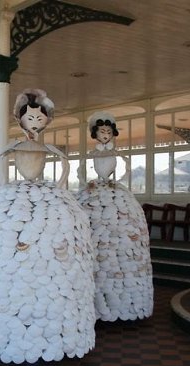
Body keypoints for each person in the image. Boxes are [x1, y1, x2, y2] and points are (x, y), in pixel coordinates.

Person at [0, 89, 95, 364]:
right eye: (30, 118)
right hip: (16, 194)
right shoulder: (14, 147)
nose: (34, 122)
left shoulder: (49, 149)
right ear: (20, 120)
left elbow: (64, 166)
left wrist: (61, 188)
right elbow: (1, 161)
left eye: (39, 118)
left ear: (46, 120)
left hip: (46, 195)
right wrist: (3, 190)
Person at [75, 111, 154, 321]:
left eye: (108, 132)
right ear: (96, 134)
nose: (105, 135)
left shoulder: (116, 153)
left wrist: (119, 180)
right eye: (102, 132)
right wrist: (84, 183)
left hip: (114, 188)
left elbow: (127, 168)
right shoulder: (94, 153)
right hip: (95, 189)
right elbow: (80, 170)